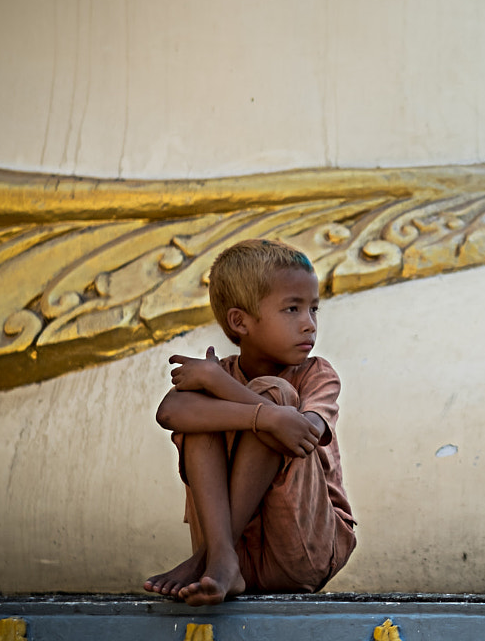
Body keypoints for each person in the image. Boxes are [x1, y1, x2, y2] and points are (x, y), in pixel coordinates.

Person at [144, 239, 356, 605]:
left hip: (303, 551)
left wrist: (226, 388)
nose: (309, 325)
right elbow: (169, 413)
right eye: (292, 309)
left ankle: (212, 556)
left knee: (275, 396)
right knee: (210, 413)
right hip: (234, 565)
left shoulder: (317, 375)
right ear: (240, 321)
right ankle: (222, 556)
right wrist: (256, 409)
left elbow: (304, 431)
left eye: (313, 310)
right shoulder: (215, 379)